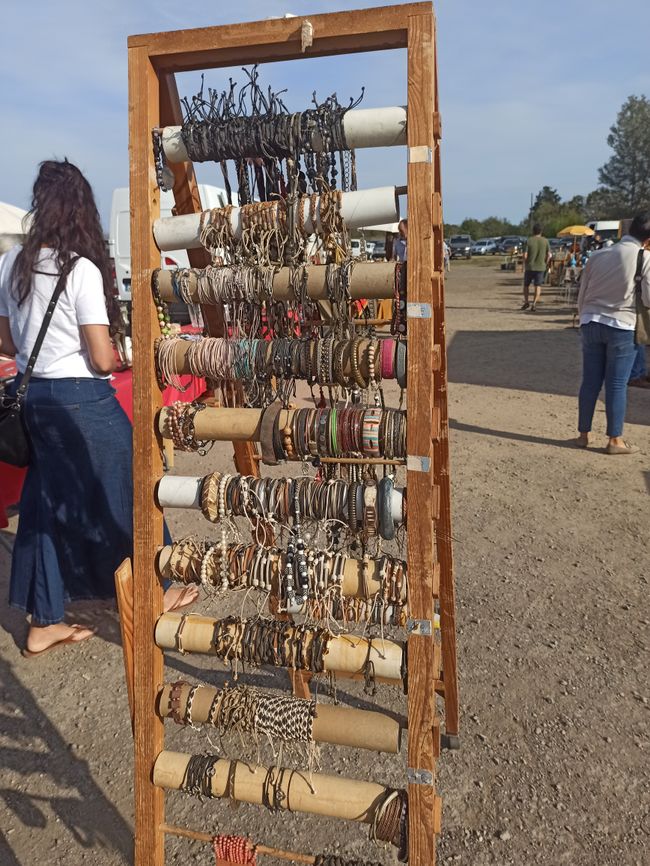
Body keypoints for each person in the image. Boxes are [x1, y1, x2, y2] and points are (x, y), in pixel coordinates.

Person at [0, 160, 197, 657]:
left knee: (43, 504)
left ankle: (43, 621)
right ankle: (157, 589)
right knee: (134, 482)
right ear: (81, 209)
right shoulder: (80, 268)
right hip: (80, 399)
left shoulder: (12, 264)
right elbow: (100, 357)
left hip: (35, 400)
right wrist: (123, 355)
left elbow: (4, 340)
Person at [574, 212, 650, 454]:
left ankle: (583, 434)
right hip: (622, 325)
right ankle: (614, 439)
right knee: (616, 384)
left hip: (590, 321)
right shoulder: (644, 257)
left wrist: (583, 317)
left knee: (590, 381)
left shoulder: (598, 255)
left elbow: (582, 293)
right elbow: (648, 298)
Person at [521, 223, 551, 311]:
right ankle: (534, 304)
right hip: (541, 267)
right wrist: (546, 263)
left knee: (526, 285)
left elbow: (525, 255)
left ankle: (526, 302)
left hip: (530, 267)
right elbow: (549, 255)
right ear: (541, 231)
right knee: (537, 285)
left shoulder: (529, 240)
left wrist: (525, 263)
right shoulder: (545, 241)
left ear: (533, 231)